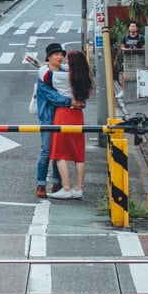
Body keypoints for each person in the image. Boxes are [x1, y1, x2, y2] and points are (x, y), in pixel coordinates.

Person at [50, 50, 91, 199]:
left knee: (59, 152)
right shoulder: (85, 79)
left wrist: (45, 65)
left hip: (63, 113)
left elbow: (46, 75)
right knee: (78, 153)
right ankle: (78, 188)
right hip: (78, 115)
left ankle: (66, 187)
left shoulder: (61, 77)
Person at [34, 42, 72, 199]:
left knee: (60, 151)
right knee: (46, 151)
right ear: (48, 57)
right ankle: (41, 184)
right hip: (49, 117)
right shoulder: (44, 76)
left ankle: (57, 183)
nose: (60, 57)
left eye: (61, 54)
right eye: (56, 54)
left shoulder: (64, 73)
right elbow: (51, 96)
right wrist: (70, 102)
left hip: (63, 116)